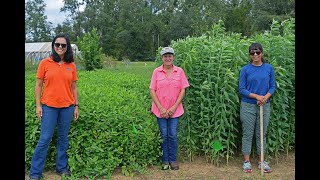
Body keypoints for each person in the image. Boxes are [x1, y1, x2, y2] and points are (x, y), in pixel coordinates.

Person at [29, 33, 79, 180]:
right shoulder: (45, 63)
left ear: (67, 47)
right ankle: (35, 173)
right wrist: (38, 106)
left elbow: (74, 87)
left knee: (63, 138)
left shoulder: (71, 65)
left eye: (63, 45)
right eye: (57, 44)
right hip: (49, 107)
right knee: (45, 138)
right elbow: (38, 85)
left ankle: (61, 168)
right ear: (53, 46)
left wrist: (76, 106)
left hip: (67, 107)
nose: (60, 47)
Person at [149, 47, 190, 170]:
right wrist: (161, 108)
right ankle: (165, 160)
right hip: (159, 110)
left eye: (170, 56)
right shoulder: (157, 72)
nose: (168, 58)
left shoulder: (179, 71)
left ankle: (172, 160)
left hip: (175, 110)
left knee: (172, 134)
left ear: (173, 57)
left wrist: (174, 107)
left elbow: (183, 89)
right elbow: (152, 90)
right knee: (164, 134)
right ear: (162, 58)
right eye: (165, 56)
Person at [239, 42, 276, 173]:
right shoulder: (245, 70)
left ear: (262, 53)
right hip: (248, 105)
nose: (255, 55)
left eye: (258, 52)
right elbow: (242, 89)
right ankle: (246, 162)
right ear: (250, 55)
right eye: (252, 53)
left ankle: (262, 162)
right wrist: (257, 97)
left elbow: (272, 86)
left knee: (262, 134)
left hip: (264, 105)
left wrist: (265, 97)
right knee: (247, 133)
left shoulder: (269, 68)